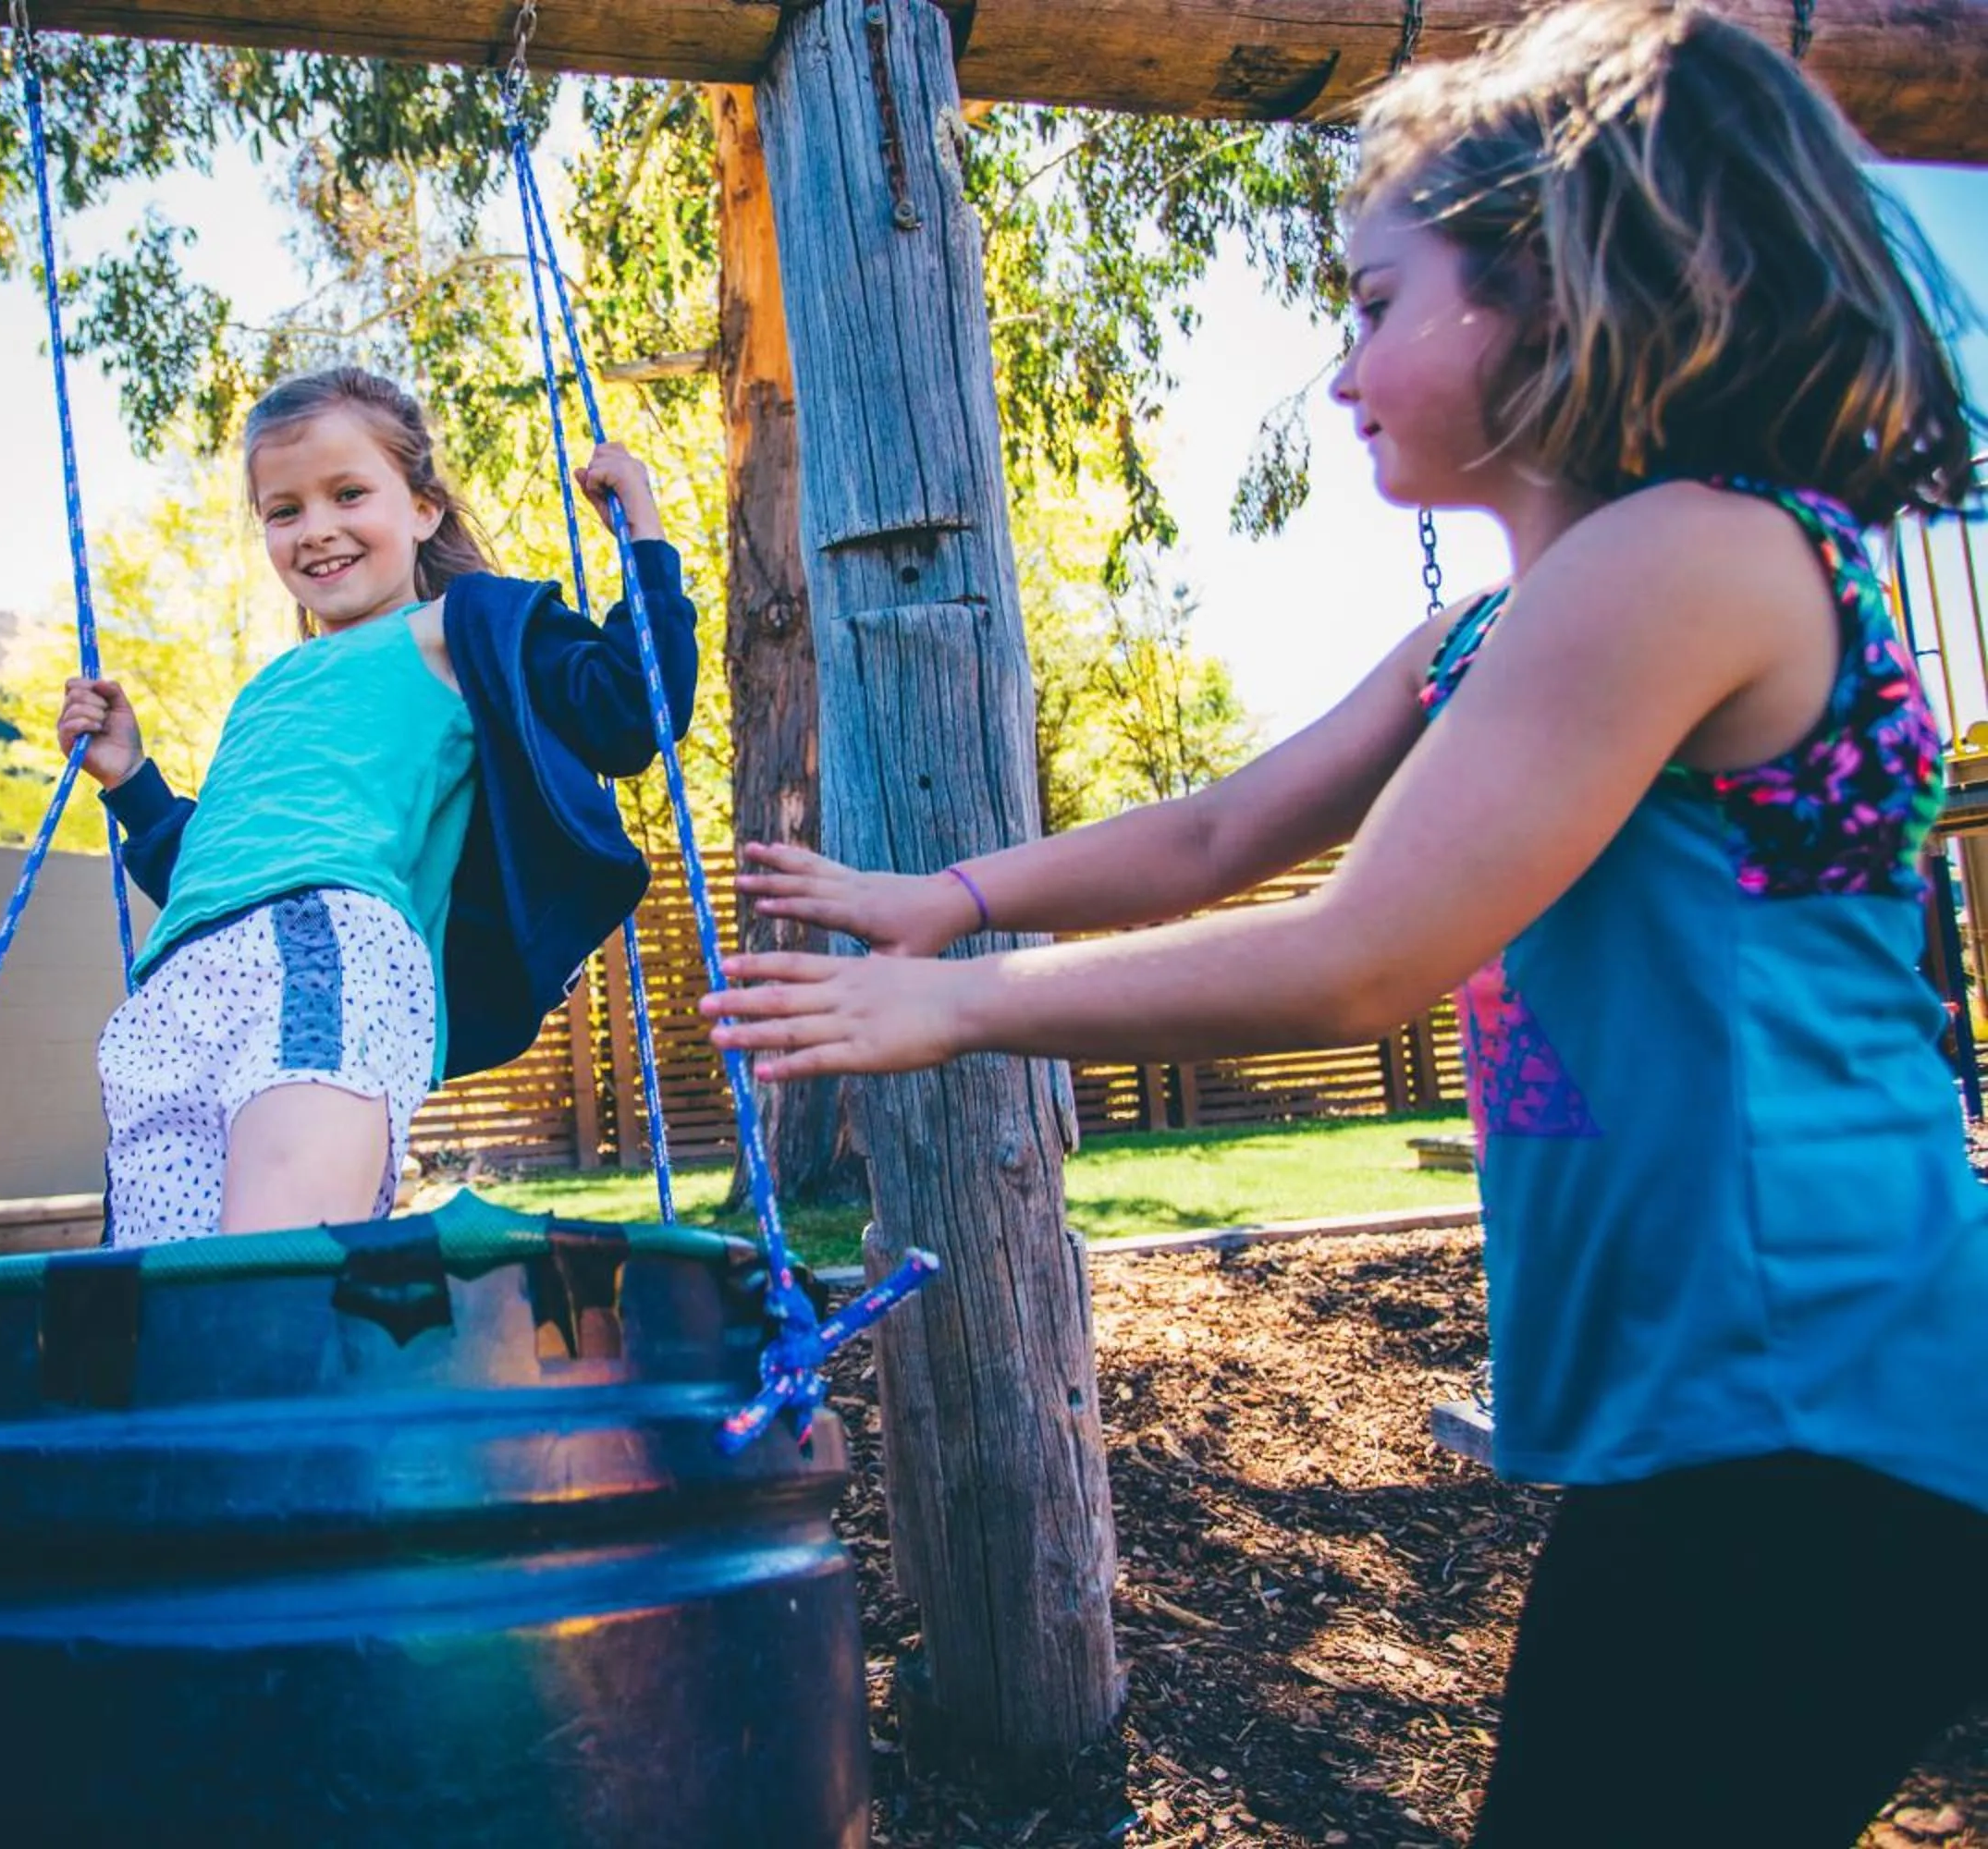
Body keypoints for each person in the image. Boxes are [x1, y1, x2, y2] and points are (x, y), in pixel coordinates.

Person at [703, 3, 1988, 1841]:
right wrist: (954, 900)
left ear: (1553, 286)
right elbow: (1228, 826)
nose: (1339, 366)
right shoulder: (1496, 627)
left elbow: (1360, 948)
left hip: (1832, 1402)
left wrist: (965, 1011)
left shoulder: (1689, 555)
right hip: (1743, 1410)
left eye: (1378, 303)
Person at [59, 365, 694, 1248]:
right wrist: (131, 781)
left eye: (348, 493)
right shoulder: (268, 687)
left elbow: (636, 709)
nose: (316, 530)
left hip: (328, 948)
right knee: (166, 1303)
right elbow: (217, 876)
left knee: (269, 1278)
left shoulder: (456, 628)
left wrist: (643, 539)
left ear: (423, 508)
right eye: (284, 511)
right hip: (176, 986)